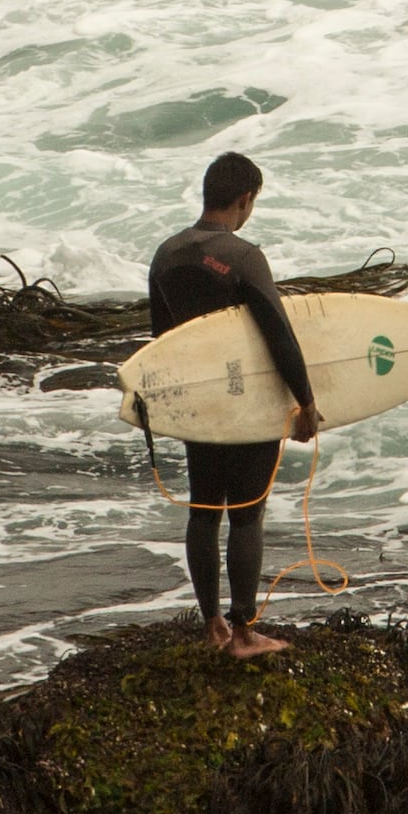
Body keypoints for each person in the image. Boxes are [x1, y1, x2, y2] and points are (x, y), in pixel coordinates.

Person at [148, 150, 323, 659]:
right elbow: (278, 334)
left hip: (198, 400)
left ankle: (213, 626)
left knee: (204, 510)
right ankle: (246, 633)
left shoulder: (166, 255)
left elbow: (161, 340)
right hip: (246, 403)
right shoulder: (245, 258)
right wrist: (306, 401)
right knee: (247, 513)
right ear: (244, 200)